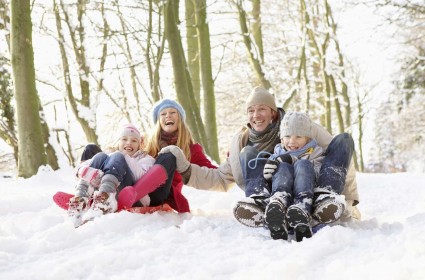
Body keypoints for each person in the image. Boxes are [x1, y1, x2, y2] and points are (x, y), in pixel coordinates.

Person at [160, 86, 360, 231]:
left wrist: (349, 200)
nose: (256, 115)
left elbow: (340, 158)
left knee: (343, 140)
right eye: (251, 110)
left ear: (272, 113)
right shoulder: (241, 142)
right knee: (248, 154)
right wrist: (185, 167)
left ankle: (325, 199)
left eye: (262, 109)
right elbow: (219, 179)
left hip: (310, 190)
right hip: (275, 199)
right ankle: (262, 204)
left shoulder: (299, 127)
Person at [251, 112, 325, 241]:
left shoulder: (315, 152)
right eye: (287, 136)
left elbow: (319, 173)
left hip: (304, 195)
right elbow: (269, 179)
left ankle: (301, 210)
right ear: (281, 138)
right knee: (283, 167)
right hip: (284, 194)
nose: (292, 141)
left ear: (307, 138)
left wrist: (294, 159)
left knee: (303, 164)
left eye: (298, 136)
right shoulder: (276, 155)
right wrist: (268, 174)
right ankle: (278, 207)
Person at [68, 124, 158, 227]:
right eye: (124, 139)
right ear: (118, 142)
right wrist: (82, 170)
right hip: (107, 188)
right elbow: (80, 167)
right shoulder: (109, 154)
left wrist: (124, 156)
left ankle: (104, 202)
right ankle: (80, 201)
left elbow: (142, 178)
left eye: (134, 141)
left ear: (139, 144)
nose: (129, 142)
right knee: (100, 156)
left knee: (117, 156)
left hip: (133, 194)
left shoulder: (146, 158)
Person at [143, 99, 218, 213]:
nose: (168, 116)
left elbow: (212, 173)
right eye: (163, 114)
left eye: (173, 112)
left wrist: (231, 163)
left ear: (180, 119)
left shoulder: (190, 149)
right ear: (158, 121)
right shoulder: (146, 142)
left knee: (171, 154)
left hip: (162, 196)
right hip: (142, 190)